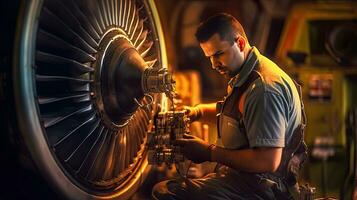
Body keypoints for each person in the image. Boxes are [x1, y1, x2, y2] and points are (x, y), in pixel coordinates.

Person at [152, 13, 307, 200]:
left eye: (219, 54)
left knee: (166, 192)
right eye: (209, 57)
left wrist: (209, 152)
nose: (214, 65)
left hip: (263, 189)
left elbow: (267, 161)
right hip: (248, 180)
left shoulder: (264, 89)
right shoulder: (246, 74)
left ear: (240, 43)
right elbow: (237, 116)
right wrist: (197, 112)